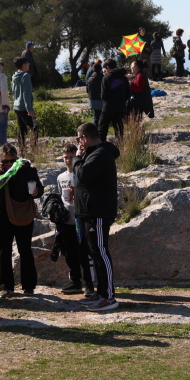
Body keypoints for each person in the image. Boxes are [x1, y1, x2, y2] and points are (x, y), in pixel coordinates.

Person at [0, 144, 43, 298]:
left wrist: (36, 192)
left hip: (22, 213)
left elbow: (39, 189)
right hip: (1, 214)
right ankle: (5, 286)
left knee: (25, 249)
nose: (9, 164)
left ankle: (28, 286)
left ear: (17, 159)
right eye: (5, 161)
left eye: (12, 160)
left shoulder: (27, 170)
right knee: (4, 250)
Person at [74, 122, 121, 311]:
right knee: (94, 253)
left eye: (79, 139)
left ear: (84, 138)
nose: (78, 143)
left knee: (101, 253)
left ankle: (109, 296)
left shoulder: (101, 154)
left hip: (98, 212)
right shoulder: (93, 153)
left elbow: (83, 175)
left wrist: (77, 159)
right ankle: (100, 292)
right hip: (88, 211)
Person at [55, 143, 93, 295]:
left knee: (84, 252)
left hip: (81, 219)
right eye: (66, 158)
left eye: (71, 157)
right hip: (67, 220)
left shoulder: (80, 174)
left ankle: (89, 283)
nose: (69, 160)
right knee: (70, 253)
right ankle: (75, 281)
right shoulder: (60, 177)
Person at [11, 56, 37, 156]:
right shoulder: (25, 76)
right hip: (24, 107)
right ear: (23, 65)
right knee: (34, 127)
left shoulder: (14, 75)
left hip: (16, 105)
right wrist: (29, 109)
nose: (29, 65)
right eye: (27, 63)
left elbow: (14, 91)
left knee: (21, 128)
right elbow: (26, 93)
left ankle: (22, 150)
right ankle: (34, 149)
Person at [99, 60, 130, 141]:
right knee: (119, 130)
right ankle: (120, 148)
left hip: (108, 107)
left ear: (107, 67)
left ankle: (101, 147)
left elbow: (103, 96)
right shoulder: (124, 78)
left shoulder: (106, 78)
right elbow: (128, 94)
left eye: (105, 69)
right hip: (121, 107)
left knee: (102, 129)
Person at [85, 61, 104, 127]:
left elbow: (87, 90)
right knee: (102, 116)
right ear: (101, 69)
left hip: (92, 100)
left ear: (93, 70)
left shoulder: (90, 79)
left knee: (96, 116)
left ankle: (95, 130)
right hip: (101, 99)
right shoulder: (103, 78)